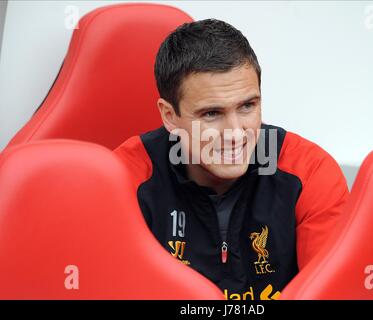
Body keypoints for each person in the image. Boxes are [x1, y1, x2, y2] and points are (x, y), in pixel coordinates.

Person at [113, 19, 349, 300]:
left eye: (247, 106)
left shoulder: (310, 173)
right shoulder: (124, 179)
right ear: (169, 116)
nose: (236, 134)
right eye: (211, 113)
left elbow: (331, 294)